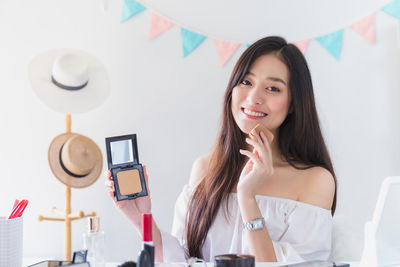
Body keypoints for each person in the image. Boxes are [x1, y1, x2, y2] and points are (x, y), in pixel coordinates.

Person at [105, 36, 336, 263]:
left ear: (294, 102)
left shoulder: (315, 180)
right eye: (246, 82)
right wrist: (140, 218)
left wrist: (248, 198)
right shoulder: (206, 168)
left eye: (273, 88)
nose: (254, 97)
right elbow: (179, 260)